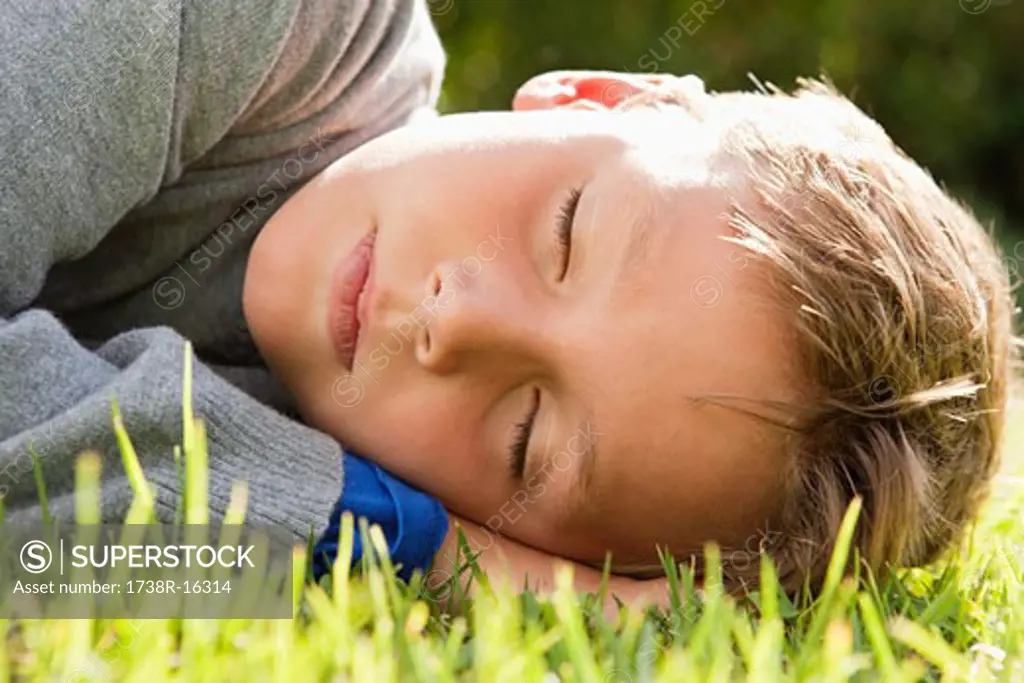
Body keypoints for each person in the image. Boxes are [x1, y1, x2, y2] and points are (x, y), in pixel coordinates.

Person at [0, 0, 1015, 604]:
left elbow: (38, 547)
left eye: (525, 438)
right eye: (566, 229)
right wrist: (411, 544)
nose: (455, 318)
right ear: (598, 96)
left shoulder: (287, 432)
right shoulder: (273, 24)